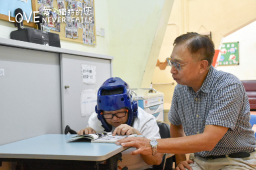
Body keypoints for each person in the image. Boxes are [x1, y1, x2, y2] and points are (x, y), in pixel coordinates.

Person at [116, 32, 256, 170]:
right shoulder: (180, 89)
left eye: (178, 64)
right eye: (172, 62)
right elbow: (176, 125)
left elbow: (208, 141)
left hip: (236, 161)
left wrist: (151, 143)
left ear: (202, 66)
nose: (172, 70)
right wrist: (180, 160)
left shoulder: (228, 86)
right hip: (200, 161)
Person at [77, 77, 163, 170]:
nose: (114, 119)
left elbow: (156, 160)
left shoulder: (146, 121)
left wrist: (139, 137)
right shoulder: (95, 119)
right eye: (108, 114)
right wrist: (86, 138)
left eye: (120, 113)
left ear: (131, 109)